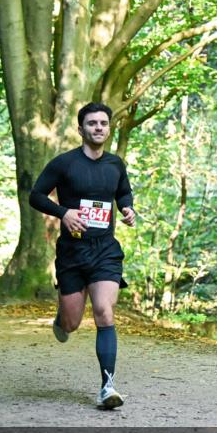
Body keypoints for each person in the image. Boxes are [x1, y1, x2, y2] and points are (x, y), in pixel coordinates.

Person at [29, 102, 135, 410]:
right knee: (72, 324)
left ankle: (107, 387)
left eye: (103, 123)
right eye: (92, 123)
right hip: (73, 252)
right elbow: (35, 195)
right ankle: (62, 317)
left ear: (109, 129)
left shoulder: (116, 164)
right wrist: (63, 213)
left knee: (104, 311)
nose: (98, 127)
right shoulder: (64, 164)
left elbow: (123, 192)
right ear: (81, 130)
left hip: (105, 251)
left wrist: (127, 208)